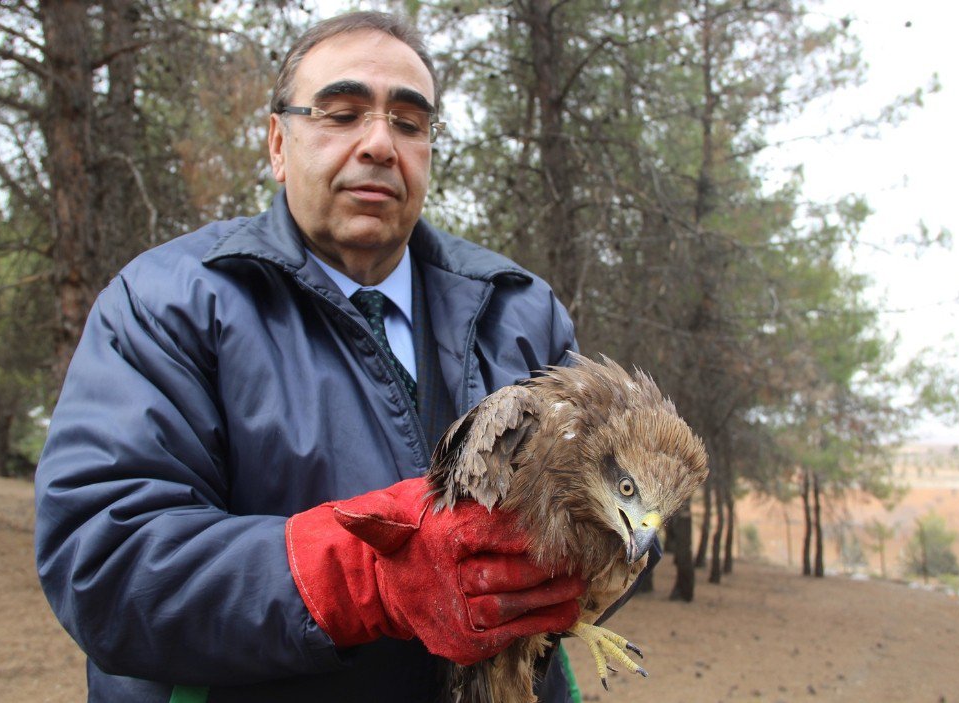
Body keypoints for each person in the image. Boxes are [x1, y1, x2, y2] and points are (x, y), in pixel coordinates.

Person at [35, 11, 653, 703]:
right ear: (278, 142)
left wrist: (606, 537)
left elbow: (613, 520)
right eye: (342, 112)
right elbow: (107, 565)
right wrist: (366, 577)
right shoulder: (166, 303)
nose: (381, 144)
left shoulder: (521, 312)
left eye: (410, 123)